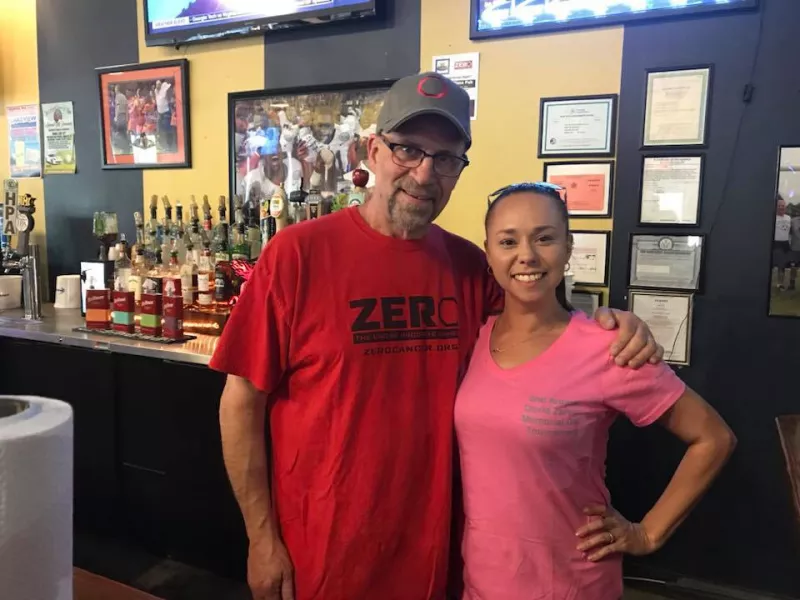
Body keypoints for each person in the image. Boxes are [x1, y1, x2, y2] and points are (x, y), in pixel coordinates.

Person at [209, 72, 663, 600]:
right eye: (407, 150)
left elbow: (542, 326)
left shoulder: (470, 267)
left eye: (445, 158)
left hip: (441, 556)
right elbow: (240, 401)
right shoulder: (296, 255)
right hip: (323, 553)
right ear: (373, 151)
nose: (425, 173)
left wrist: (611, 321)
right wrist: (261, 538)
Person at [454, 183, 737, 600]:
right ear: (489, 253)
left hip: (570, 584)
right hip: (482, 581)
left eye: (545, 237)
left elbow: (713, 438)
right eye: (508, 241)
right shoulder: (475, 337)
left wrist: (648, 534)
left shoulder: (608, 347)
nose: (527, 255)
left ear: (568, 248)